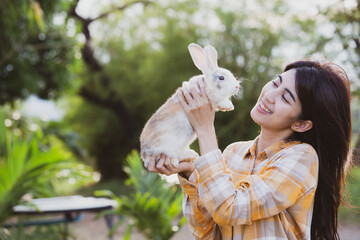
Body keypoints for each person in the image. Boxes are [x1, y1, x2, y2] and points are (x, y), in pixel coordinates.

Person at [147, 60, 352, 240]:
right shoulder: (232, 153)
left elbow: (230, 209)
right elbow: (207, 233)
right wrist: (190, 173)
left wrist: (205, 128)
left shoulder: (302, 158)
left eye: (285, 98)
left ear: (301, 124)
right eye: (275, 82)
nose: (270, 95)